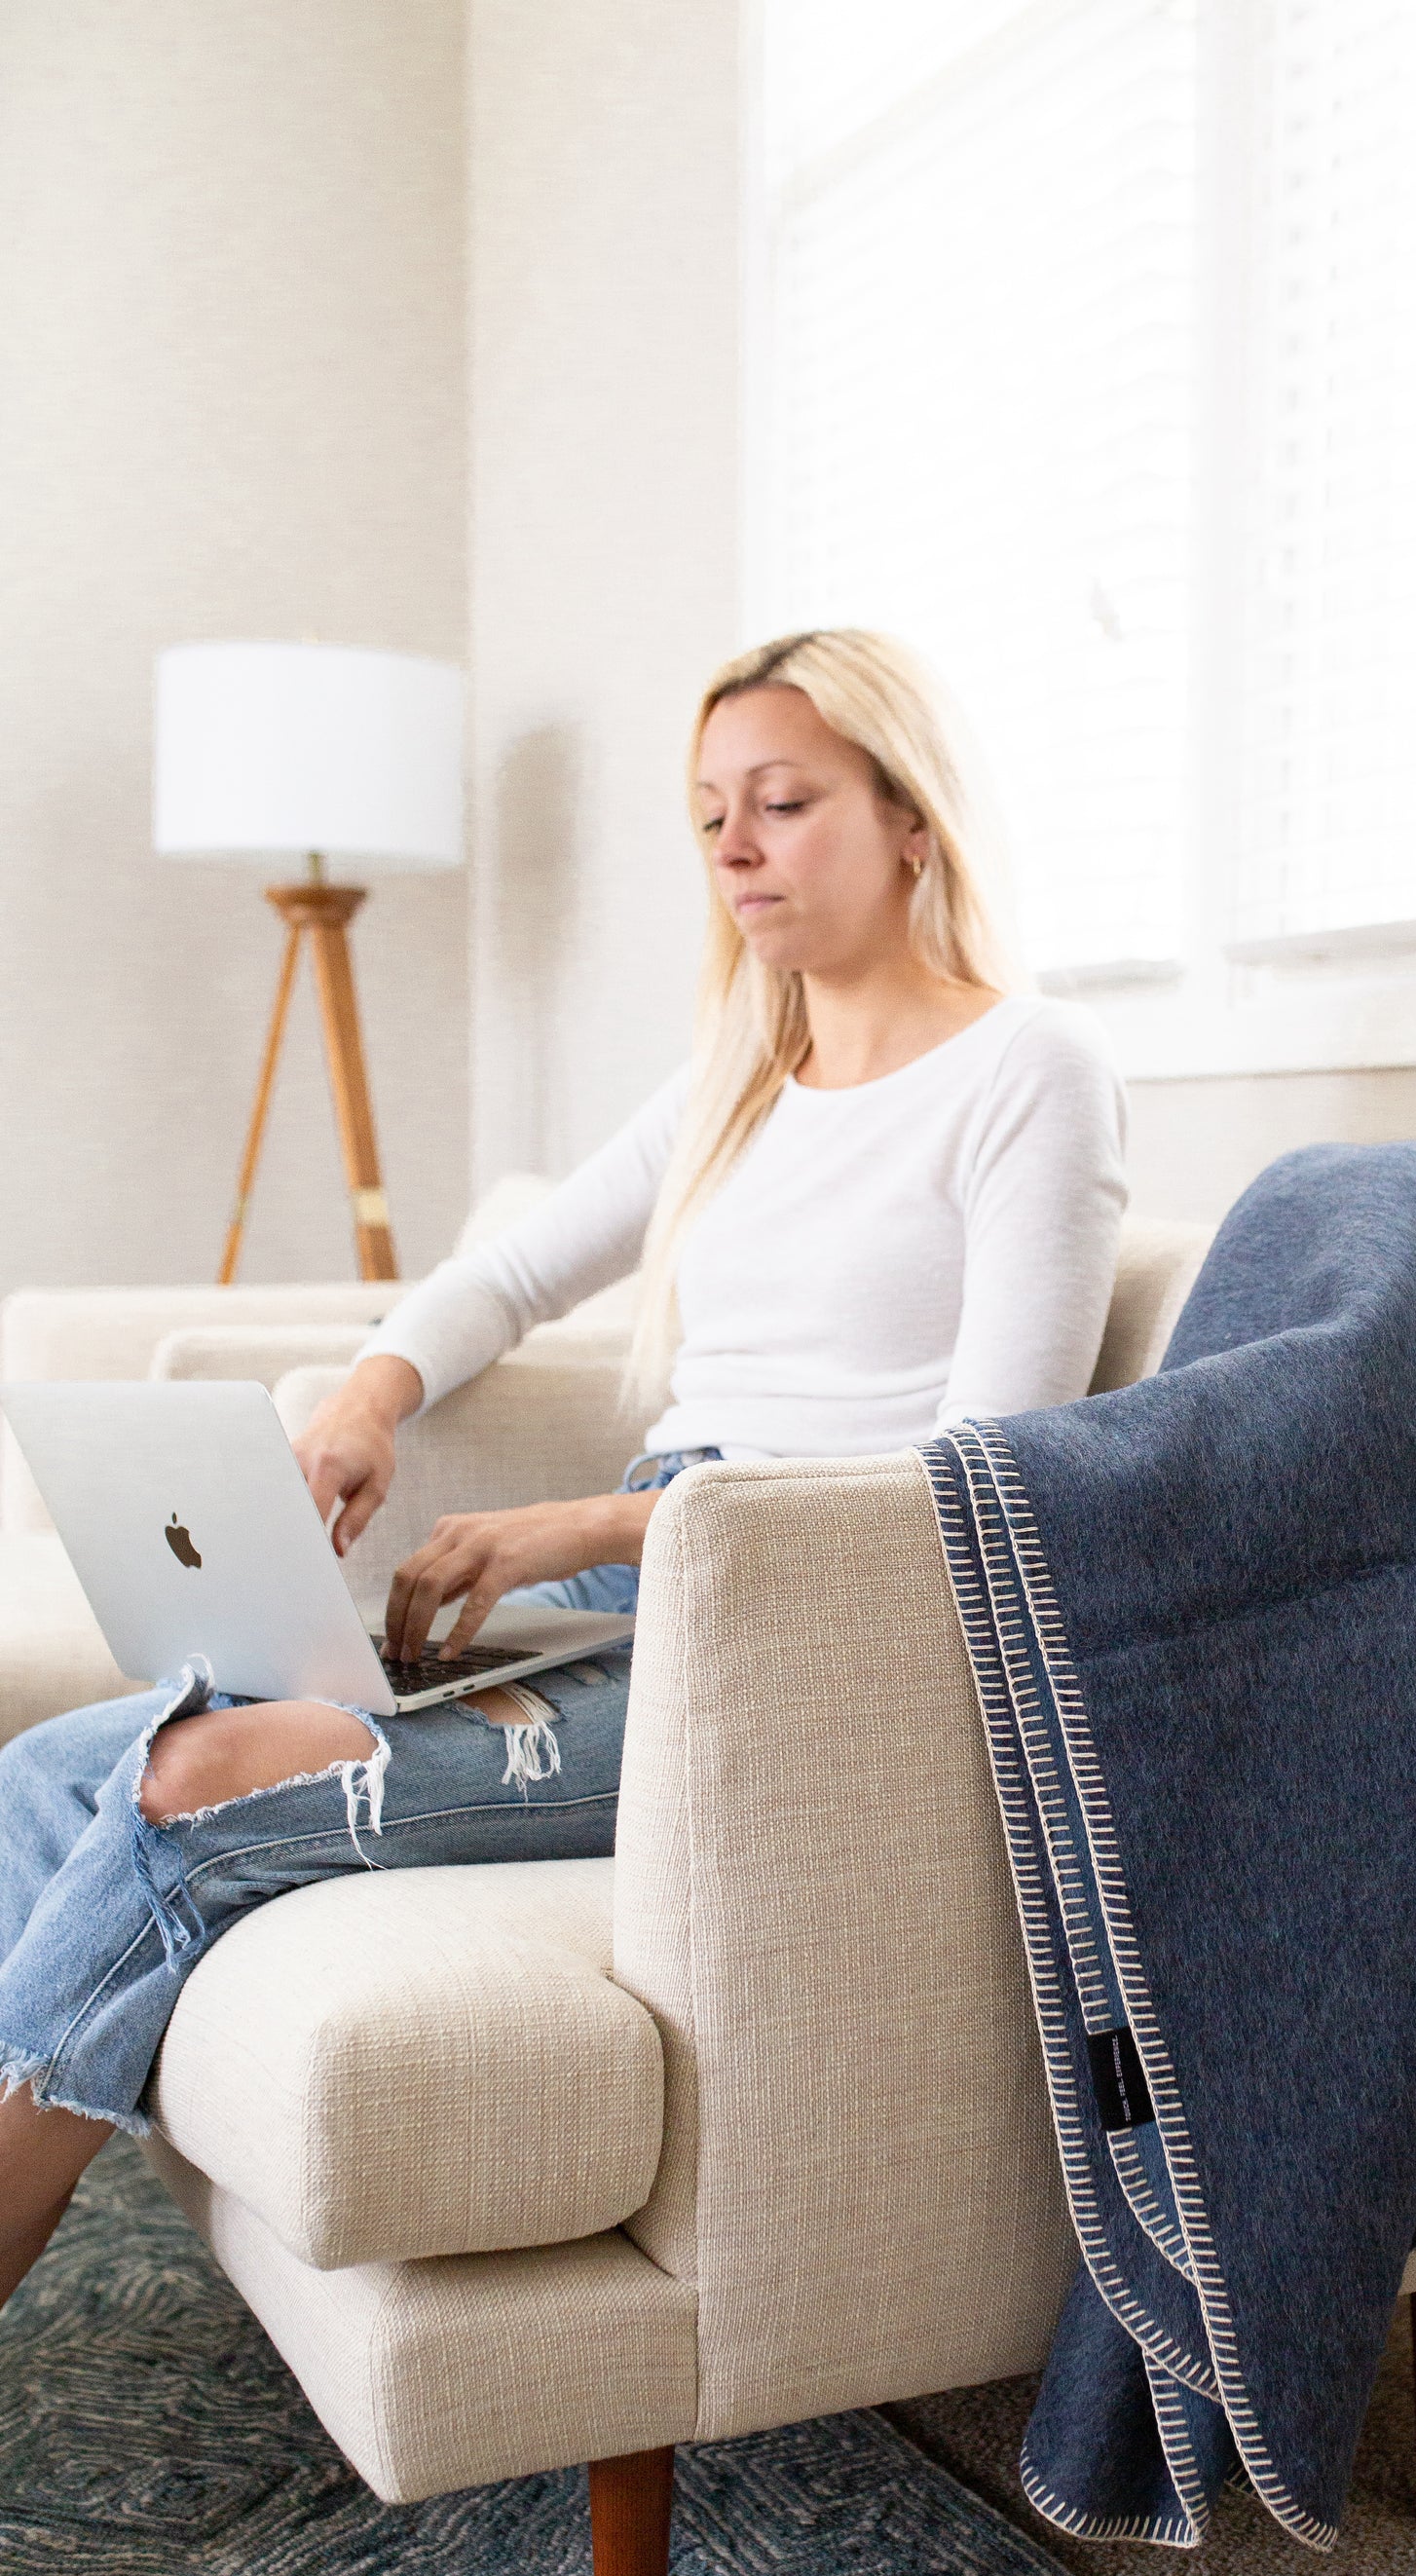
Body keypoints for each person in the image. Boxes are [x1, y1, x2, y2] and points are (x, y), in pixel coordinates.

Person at [0, 628, 1127, 2310]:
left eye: (784, 802)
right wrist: (368, 1398)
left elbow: (982, 1487)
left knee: (193, 1782)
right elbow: (509, 1273)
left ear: (911, 817)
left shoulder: (1030, 1072)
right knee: (48, 1767)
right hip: (632, 1601)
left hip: (801, 1658)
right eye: (709, 816)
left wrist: (613, 1518)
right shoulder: (743, 1078)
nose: (735, 848)